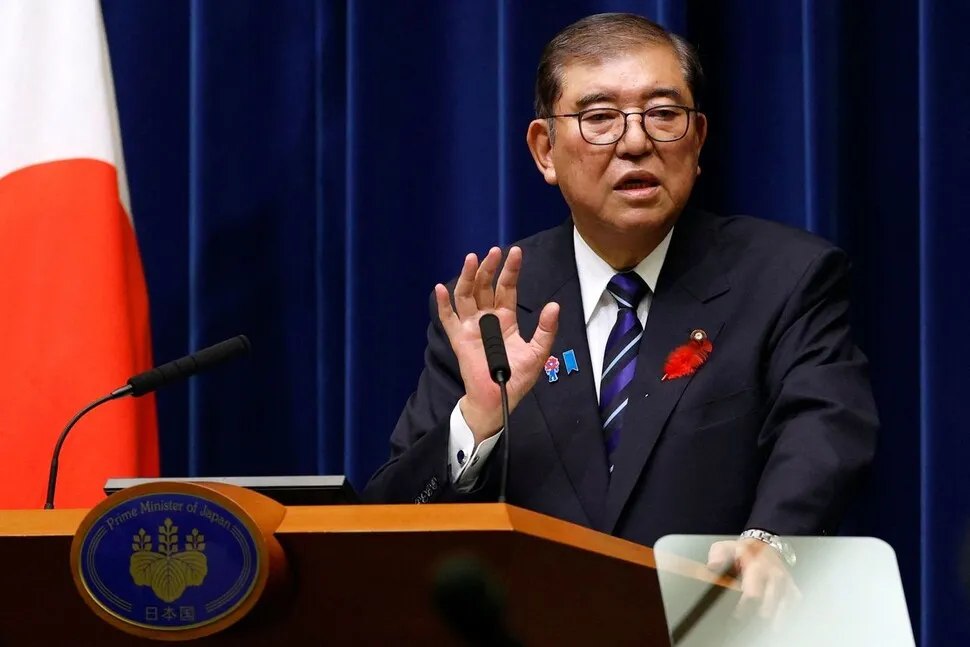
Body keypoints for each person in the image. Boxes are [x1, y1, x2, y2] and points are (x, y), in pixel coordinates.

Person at [362, 12, 878, 621]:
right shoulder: (490, 308)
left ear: (697, 138)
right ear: (545, 150)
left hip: (717, 627)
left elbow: (823, 428)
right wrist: (477, 420)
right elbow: (390, 522)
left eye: (663, 113)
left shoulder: (786, 278)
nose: (636, 143)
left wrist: (769, 541)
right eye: (600, 117)